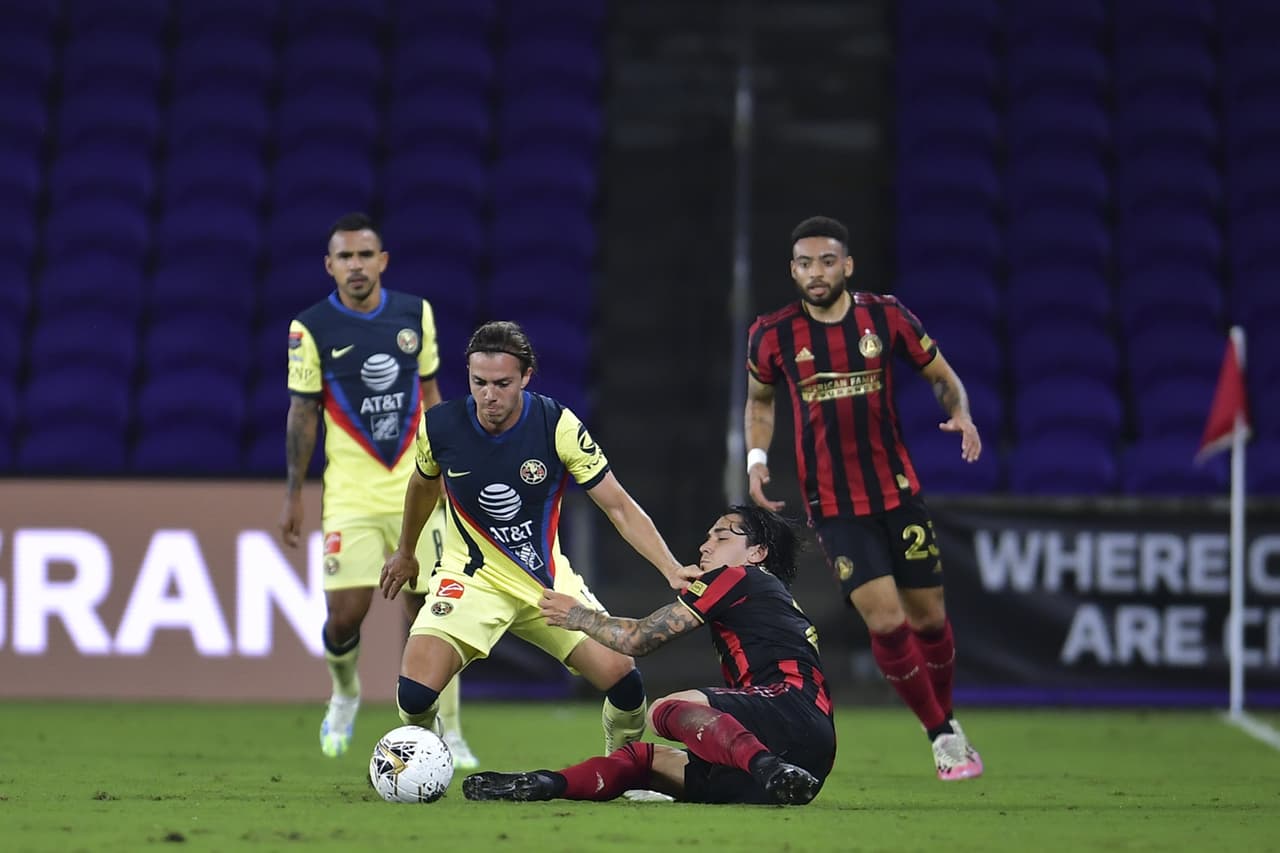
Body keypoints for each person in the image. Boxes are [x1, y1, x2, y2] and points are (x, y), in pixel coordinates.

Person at [379, 320, 697, 757]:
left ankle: (624, 764)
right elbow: (422, 484)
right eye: (479, 382)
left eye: (502, 383)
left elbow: (618, 505)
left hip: (546, 585)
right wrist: (406, 552)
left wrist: (671, 568)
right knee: (413, 696)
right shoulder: (439, 426)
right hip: (471, 579)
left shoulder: (557, 425)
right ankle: (428, 753)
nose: (489, 395)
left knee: (624, 681)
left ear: (526, 376)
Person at [743, 215, 984, 781]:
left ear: (847, 265)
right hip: (834, 506)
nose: (816, 272)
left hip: (897, 494)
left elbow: (941, 374)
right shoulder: (771, 334)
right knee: (886, 621)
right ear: (793, 271)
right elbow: (760, 402)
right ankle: (941, 735)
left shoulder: (886, 316)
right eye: (805, 263)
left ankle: (945, 715)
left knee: (930, 620)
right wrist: (757, 460)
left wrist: (961, 412)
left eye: (827, 261)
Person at [462, 504, 834, 806]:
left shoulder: (741, 576)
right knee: (641, 759)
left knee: (665, 710)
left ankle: (768, 767)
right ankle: (542, 784)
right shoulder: (767, 595)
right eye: (707, 539)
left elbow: (639, 639)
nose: (705, 547)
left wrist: (577, 615)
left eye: (720, 537)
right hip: (806, 750)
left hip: (788, 711)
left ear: (757, 552)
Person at [278, 211, 478, 767]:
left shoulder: (415, 315)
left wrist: (451, 466)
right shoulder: (309, 328)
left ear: (382, 260)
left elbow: (432, 390)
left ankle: (449, 729)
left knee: (437, 611)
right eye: (345, 257)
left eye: (365, 255)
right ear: (330, 266)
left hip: (419, 484)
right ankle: (344, 693)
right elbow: (302, 412)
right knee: (345, 614)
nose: (356, 265)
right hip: (352, 494)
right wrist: (294, 492)